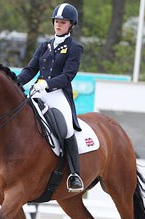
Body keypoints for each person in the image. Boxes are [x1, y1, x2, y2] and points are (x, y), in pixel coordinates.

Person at [17, 3, 84, 192]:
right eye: (56, 21)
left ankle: (74, 174)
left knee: (67, 129)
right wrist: (15, 83)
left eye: (62, 22)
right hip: (38, 92)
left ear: (71, 25)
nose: (58, 25)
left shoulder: (74, 48)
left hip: (57, 94)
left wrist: (47, 84)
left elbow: (68, 75)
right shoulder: (44, 45)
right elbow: (31, 69)